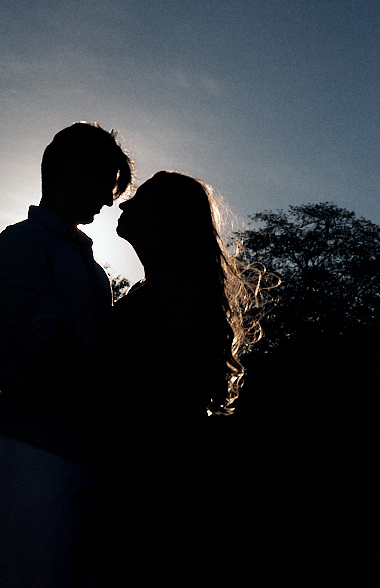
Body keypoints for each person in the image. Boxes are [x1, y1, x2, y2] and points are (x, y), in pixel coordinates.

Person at [0, 122, 134, 588]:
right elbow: (45, 346)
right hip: (33, 446)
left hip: (74, 449)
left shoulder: (85, 260)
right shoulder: (21, 245)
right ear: (69, 171)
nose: (109, 200)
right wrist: (137, 377)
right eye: (105, 183)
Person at [98, 170, 268, 586]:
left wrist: (75, 393)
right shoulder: (166, 283)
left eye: (139, 200)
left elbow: (156, 375)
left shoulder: (179, 285)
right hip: (154, 463)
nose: (124, 204)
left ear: (166, 218)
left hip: (159, 471)